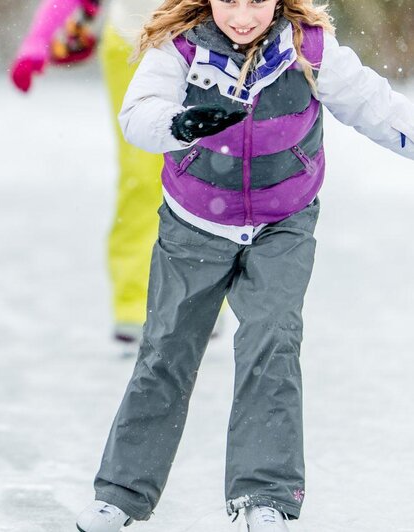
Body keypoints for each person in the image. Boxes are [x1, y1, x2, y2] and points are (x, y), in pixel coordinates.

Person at [74, 0, 414, 531]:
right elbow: (137, 115)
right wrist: (180, 123)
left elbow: (378, 107)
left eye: (256, 0)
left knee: (272, 342)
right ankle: (121, 493)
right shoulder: (180, 45)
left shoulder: (308, 47)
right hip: (194, 225)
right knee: (167, 349)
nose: (242, 15)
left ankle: (266, 497)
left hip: (283, 224)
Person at [11, 0, 168, 356]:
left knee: (203, 170)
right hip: (131, 45)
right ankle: (134, 302)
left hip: (206, 48)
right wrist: (38, 39)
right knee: (141, 176)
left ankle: (203, 294)